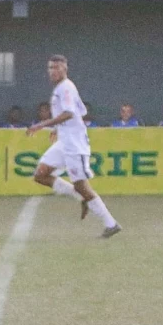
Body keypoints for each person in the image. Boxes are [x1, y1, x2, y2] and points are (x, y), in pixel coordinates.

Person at [28, 55, 121, 238]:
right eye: (50, 68)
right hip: (65, 142)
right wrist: (56, 127)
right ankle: (82, 198)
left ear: (65, 69)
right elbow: (79, 111)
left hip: (74, 145)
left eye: (56, 67)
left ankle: (111, 224)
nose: (52, 71)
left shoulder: (66, 87)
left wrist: (42, 124)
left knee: (82, 186)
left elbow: (70, 113)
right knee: (40, 175)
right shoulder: (61, 89)